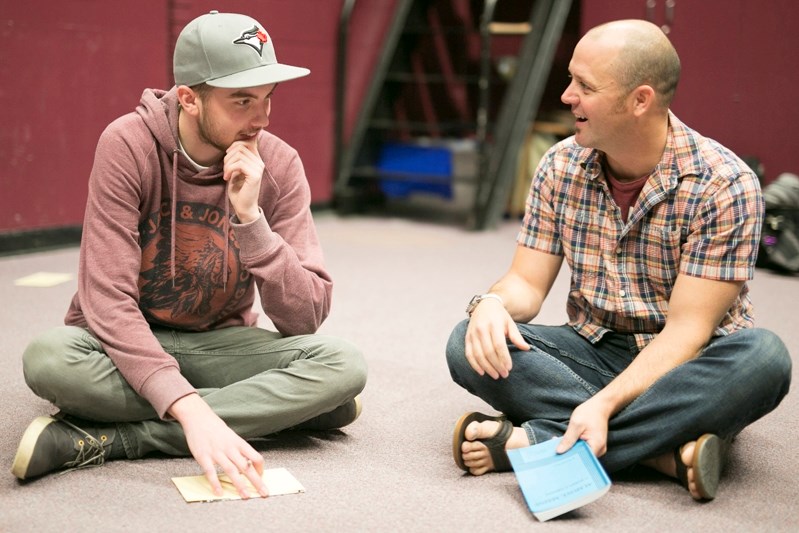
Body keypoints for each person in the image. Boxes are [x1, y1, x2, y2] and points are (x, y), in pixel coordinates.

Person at [11, 10, 367, 499]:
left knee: (342, 365)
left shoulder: (278, 164)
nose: (261, 119)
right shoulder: (128, 145)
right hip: (120, 345)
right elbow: (106, 299)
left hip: (220, 346)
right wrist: (194, 409)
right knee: (49, 359)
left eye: (267, 99)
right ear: (189, 99)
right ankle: (272, 410)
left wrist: (251, 221)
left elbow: (304, 319)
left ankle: (122, 439)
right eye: (242, 101)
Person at [446, 19, 791, 501]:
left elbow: (687, 333)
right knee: (469, 342)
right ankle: (661, 452)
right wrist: (489, 303)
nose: (567, 96)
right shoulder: (560, 165)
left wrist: (605, 404)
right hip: (593, 348)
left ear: (640, 101)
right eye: (571, 79)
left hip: (688, 361)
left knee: (764, 359)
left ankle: (537, 440)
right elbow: (525, 282)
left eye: (585, 86)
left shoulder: (723, 184)